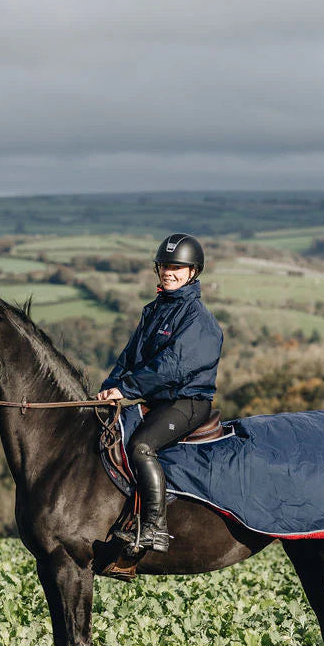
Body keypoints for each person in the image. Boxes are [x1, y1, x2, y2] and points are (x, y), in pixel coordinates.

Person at [96, 233, 223, 554]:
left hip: (188, 402)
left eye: (177, 267)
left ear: (193, 272)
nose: (169, 272)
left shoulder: (198, 319)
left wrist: (126, 389)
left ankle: (154, 528)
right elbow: (130, 356)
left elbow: (174, 366)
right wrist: (108, 386)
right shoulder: (154, 311)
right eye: (165, 265)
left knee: (140, 447)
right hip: (156, 400)